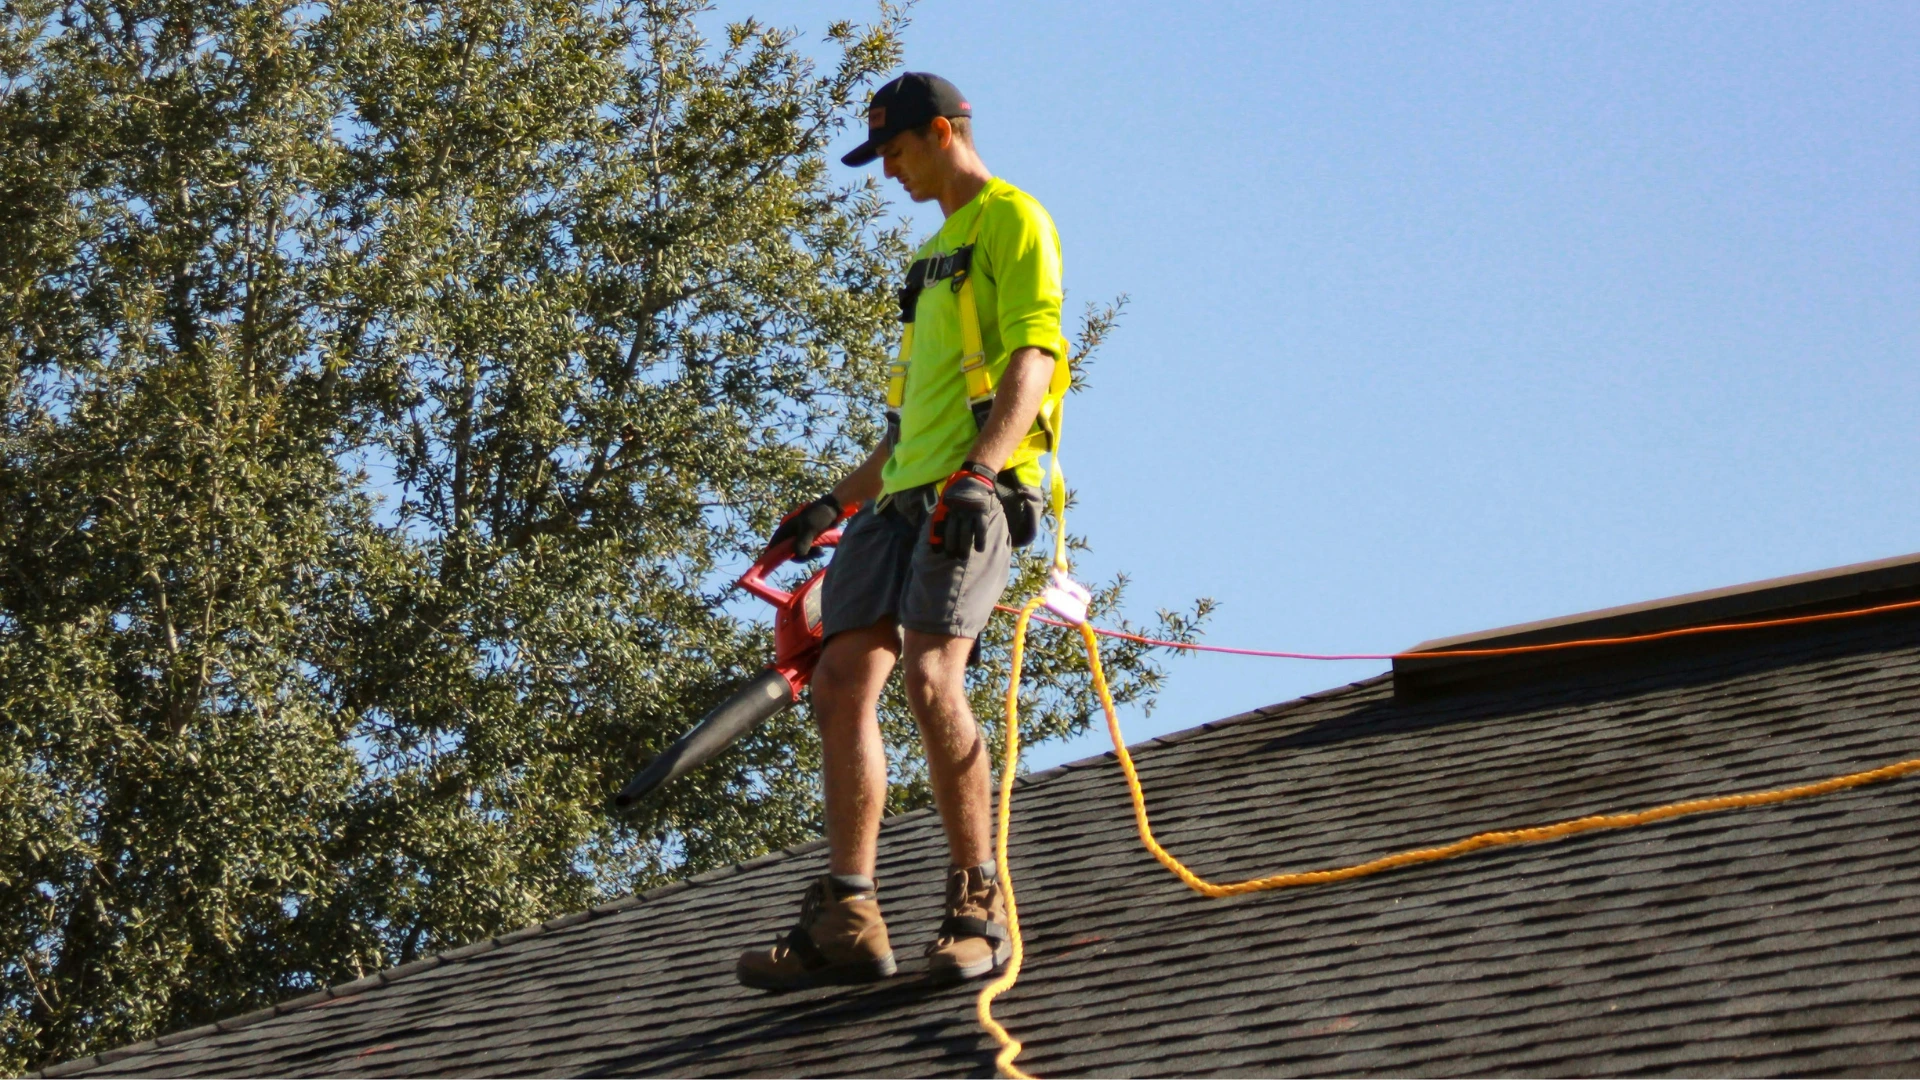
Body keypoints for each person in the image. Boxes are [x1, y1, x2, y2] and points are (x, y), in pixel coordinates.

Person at [736, 72, 1068, 991]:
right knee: (841, 682)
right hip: (898, 501)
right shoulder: (930, 257)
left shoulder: (1012, 220)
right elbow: (904, 431)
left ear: (943, 133)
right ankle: (848, 914)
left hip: (972, 493)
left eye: (894, 149)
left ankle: (978, 907)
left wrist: (982, 475)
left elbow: (1033, 359)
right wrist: (829, 507)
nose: (886, 171)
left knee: (930, 679)